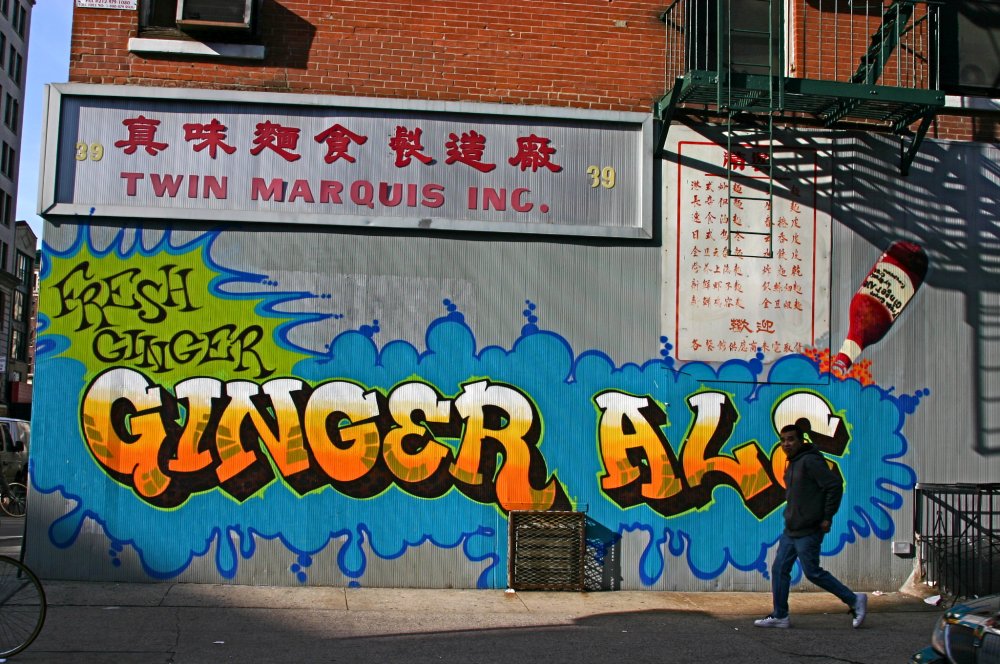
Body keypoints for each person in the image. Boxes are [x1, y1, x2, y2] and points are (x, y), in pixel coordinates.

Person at [754, 422, 867, 629]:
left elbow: (834, 486)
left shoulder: (810, 461)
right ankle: (780, 615)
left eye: (791, 439)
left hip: (809, 529)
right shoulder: (793, 462)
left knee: (812, 572)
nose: (786, 443)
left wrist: (827, 517)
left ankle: (854, 600)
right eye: (783, 440)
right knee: (780, 569)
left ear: (801, 440)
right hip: (792, 529)